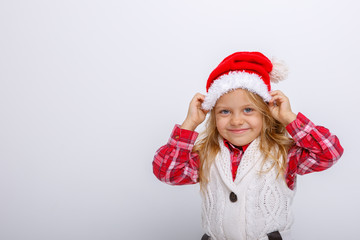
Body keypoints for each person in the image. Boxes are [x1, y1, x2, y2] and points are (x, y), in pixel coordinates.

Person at [152, 52, 343, 240]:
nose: (236, 121)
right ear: (213, 116)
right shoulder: (206, 155)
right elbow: (167, 172)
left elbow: (329, 153)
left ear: (266, 113)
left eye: (248, 110)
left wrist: (288, 118)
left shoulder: (284, 155)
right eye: (225, 111)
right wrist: (190, 123)